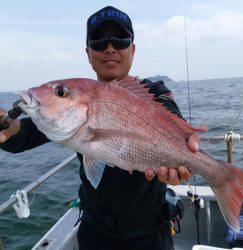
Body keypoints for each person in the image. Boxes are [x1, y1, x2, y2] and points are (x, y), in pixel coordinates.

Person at [0, 6, 196, 250]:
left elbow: (174, 122)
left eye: (120, 40)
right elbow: (26, 133)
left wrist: (188, 149)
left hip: (149, 234)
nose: (110, 47)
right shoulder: (72, 109)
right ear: (88, 52)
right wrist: (10, 129)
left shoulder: (154, 92)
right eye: (99, 41)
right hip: (94, 232)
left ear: (132, 49)